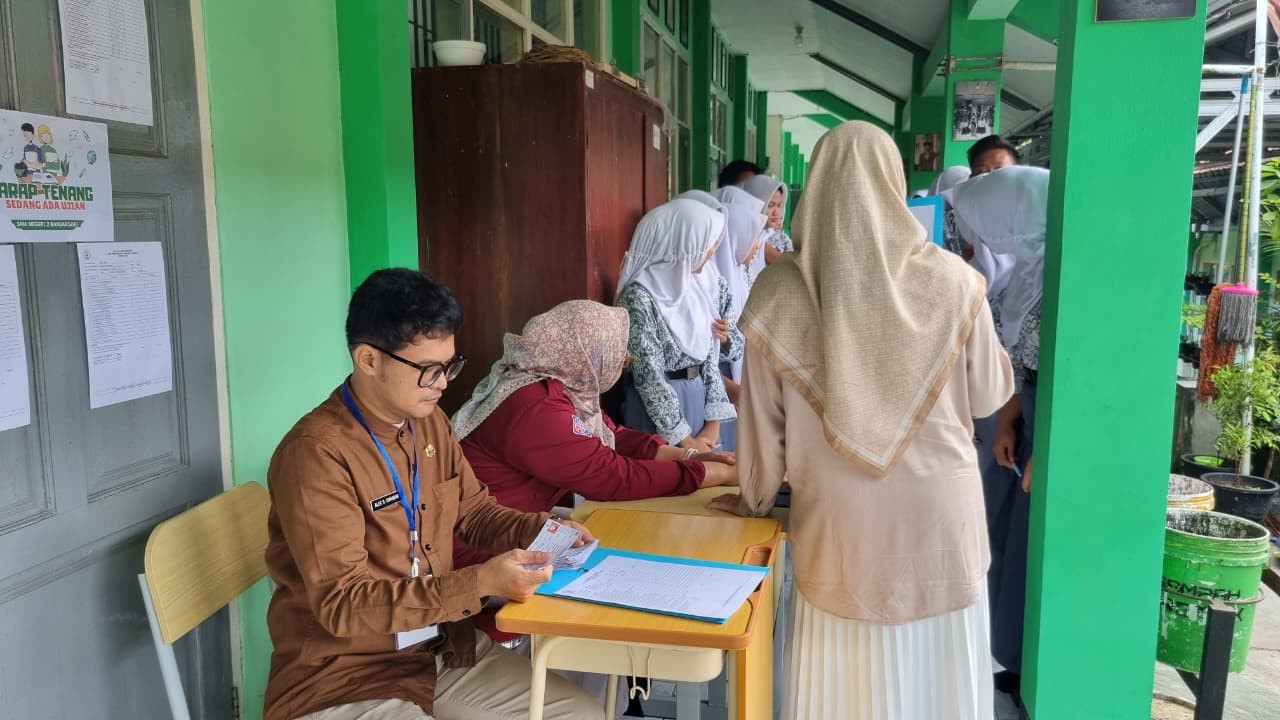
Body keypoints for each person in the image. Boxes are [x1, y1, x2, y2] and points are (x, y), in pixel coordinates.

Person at [710, 121, 1015, 720]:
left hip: (840, 531)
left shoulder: (777, 293)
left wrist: (751, 500)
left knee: (843, 689)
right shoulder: (956, 282)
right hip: (940, 526)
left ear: (814, 189)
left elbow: (762, 437)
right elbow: (988, 396)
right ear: (896, 185)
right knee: (940, 689)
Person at [263, 268, 601, 720]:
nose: (443, 383)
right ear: (368, 360)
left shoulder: (429, 422)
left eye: (449, 366)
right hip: (343, 676)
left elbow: (475, 512)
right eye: (429, 370)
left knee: (579, 714)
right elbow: (342, 605)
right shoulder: (317, 454)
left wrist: (541, 529)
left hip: (438, 649)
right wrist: (481, 582)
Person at [452, 298, 738, 574]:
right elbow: (612, 477)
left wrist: (691, 456)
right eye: (614, 350)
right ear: (584, 350)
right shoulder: (535, 407)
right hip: (482, 553)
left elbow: (612, 435)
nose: (624, 359)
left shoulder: (553, 385)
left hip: (515, 530)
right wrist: (714, 474)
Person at [950, 165, 1049, 704]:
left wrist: (1049, 448)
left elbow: (1076, 367)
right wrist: (1010, 416)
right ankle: (1011, 659)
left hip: (1052, 423)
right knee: (1007, 541)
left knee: (1031, 546)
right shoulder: (1033, 267)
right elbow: (1020, 358)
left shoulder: (1068, 274)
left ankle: (1028, 667)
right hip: (1025, 411)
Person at [617, 199, 737, 452]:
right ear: (684, 243)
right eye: (707, 242)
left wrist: (712, 425)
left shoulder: (694, 290)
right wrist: (686, 441)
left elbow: (709, 358)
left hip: (698, 403)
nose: (713, 250)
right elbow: (648, 375)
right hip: (658, 417)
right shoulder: (639, 297)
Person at [741, 174, 793, 274]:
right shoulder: (749, 239)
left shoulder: (777, 235)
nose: (776, 212)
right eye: (770, 205)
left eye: (779, 205)